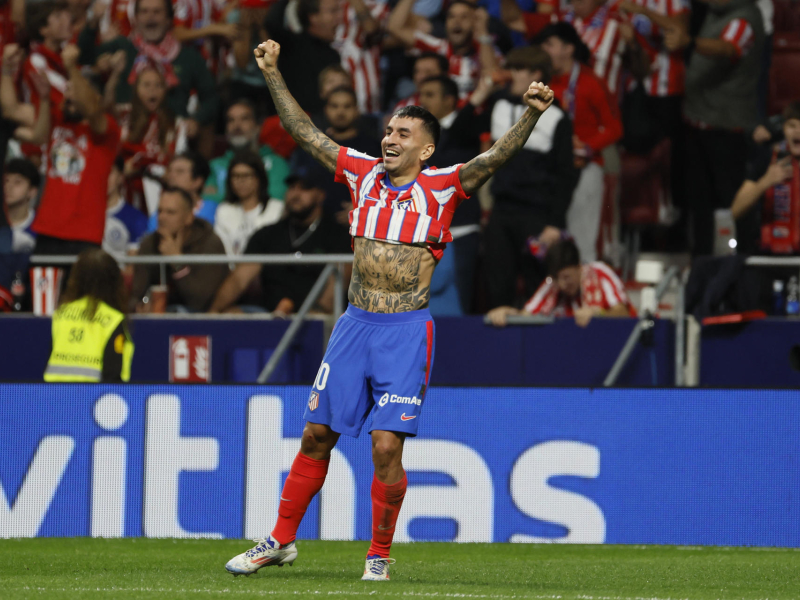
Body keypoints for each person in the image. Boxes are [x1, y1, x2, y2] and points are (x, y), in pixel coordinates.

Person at [224, 38, 556, 581]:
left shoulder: (445, 186)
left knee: (385, 447)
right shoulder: (360, 173)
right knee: (315, 436)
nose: (389, 139)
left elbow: (495, 157)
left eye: (403, 134)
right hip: (354, 326)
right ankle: (279, 541)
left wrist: (530, 115)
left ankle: (377, 554)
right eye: (388, 131)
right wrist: (273, 73)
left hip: (405, 332)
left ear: (427, 149)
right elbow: (303, 130)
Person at [666, 0, 764, 256]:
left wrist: (690, 43)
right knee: (699, 203)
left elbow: (727, 48)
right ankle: (701, 265)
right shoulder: (711, 12)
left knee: (733, 201)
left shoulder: (744, 19)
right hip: (698, 123)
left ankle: (742, 264)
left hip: (727, 128)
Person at [483, 46, 578, 308]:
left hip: (537, 215)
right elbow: (460, 133)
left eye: (517, 69)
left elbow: (566, 175)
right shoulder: (498, 104)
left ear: (537, 74)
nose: (511, 75)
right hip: (501, 211)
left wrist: (555, 223)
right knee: (498, 285)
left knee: (539, 288)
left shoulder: (558, 117)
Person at [77, 0, 219, 150]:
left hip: (169, 141)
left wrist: (196, 120)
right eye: (144, 12)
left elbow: (211, 98)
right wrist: (92, 24)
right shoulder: (122, 47)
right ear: (136, 18)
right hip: (123, 139)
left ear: (168, 19)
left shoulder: (188, 56)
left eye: (157, 12)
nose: (150, 17)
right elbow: (84, 57)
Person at [209, 169, 351, 313]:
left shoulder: (337, 235)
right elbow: (238, 280)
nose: (295, 194)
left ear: (321, 195)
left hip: (316, 318)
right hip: (268, 316)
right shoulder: (268, 233)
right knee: (231, 314)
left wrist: (310, 320)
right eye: (292, 187)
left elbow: (336, 287)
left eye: (304, 188)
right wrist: (213, 313)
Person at [538, 22, 623, 262]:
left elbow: (615, 127)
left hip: (583, 168)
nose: (544, 51)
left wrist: (585, 146)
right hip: (548, 170)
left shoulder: (590, 82)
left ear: (568, 49)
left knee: (581, 242)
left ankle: (588, 295)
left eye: (550, 45)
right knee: (548, 243)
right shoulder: (542, 82)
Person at [32, 44, 122, 256]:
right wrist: (7, 72)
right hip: (46, 230)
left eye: (75, 91)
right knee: (43, 291)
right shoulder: (57, 122)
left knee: (83, 292)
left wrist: (72, 67)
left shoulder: (106, 129)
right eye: (67, 90)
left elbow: (89, 107)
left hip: (84, 235)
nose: (69, 97)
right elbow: (27, 125)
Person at [418, 74, 484, 313]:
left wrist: (474, 101)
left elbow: (454, 134)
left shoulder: (466, 128)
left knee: (461, 301)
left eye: (430, 95)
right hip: (427, 231)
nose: (423, 101)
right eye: (422, 95)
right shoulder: (421, 136)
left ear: (450, 100)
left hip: (461, 229)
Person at [487, 238, 635, 328]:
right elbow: (528, 316)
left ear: (579, 266)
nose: (562, 285)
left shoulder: (601, 273)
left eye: (566, 277)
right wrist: (508, 313)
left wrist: (598, 314)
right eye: (557, 279)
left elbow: (623, 313)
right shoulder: (552, 283)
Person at [44, 248, 134, 382]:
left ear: (76, 278)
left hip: (56, 396)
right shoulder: (113, 319)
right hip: (96, 397)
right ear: (114, 280)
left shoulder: (60, 313)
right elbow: (113, 372)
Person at [133, 186, 228, 312]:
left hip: (202, 318)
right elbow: (136, 294)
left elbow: (200, 301)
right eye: (160, 211)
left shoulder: (210, 243)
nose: (161, 217)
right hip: (162, 314)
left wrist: (177, 261)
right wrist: (140, 305)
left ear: (189, 217)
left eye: (170, 212)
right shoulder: (149, 243)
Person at [387, 0, 500, 97]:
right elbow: (395, 27)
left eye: (464, 17)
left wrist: (483, 32)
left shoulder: (486, 50)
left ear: (475, 22)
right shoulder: (436, 46)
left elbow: (494, 78)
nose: (457, 22)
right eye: (451, 16)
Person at [731, 102, 800, 254]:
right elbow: (735, 211)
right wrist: (765, 182)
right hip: (768, 255)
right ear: (783, 129)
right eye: (792, 126)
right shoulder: (767, 160)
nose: (797, 132)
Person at [120, 59, 188, 213]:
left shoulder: (177, 126)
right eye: (146, 85)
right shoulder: (122, 118)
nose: (153, 91)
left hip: (158, 199)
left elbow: (178, 167)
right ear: (136, 88)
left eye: (158, 85)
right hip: (123, 195)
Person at [263, 0, 343, 115]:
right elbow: (271, 22)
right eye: (333, 11)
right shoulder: (291, 44)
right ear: (313, 17)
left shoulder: (333, 55)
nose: (339, 17)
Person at [205, 100, 291, 205]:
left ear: (258, 127)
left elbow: (276, 199)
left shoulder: (276, 163)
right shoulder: (214, 165)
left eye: (244, 119)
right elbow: (207, 201)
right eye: (231, 120)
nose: (236, 126)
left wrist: (222, 197)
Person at [214, 150, 284, 257]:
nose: (240, 181)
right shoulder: (224, 210)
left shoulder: (277, 208)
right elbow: (223, 250)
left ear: (259, 178)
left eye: (246, 175)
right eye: (235, 176)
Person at [145, 151, 216, 231]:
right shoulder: (158, 217)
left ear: (197, 181)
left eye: (180, 171)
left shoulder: (216, 213)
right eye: (169, 171)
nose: (171, 176)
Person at [104, 156, 148, 255]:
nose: (104, 176)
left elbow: (133, 266)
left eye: (110, 172)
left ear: (120, 177)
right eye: (99, 172)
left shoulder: (136, 219)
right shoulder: (81, 214)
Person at [3, 158, 41, 254]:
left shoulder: (41, 226)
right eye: (5, 181)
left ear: (32, 191)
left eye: (17, 182)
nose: (9, 186)